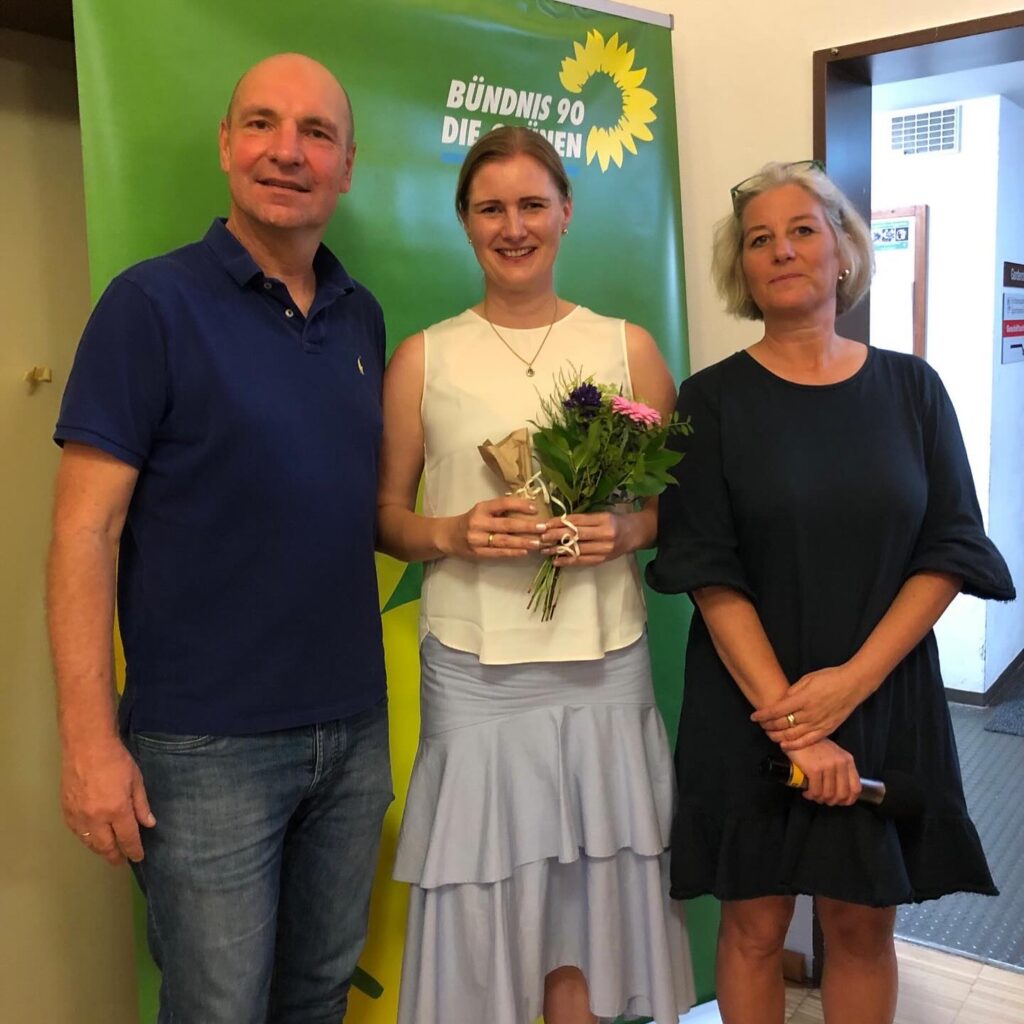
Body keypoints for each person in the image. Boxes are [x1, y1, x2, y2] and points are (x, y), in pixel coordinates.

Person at [47, 53, 392, 1023]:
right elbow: (84, 529)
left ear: (348, 166)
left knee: (316, 996)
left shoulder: (361, 316)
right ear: (226, 146)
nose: (287, 151)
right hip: (203, 751)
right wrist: (88, 740)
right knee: (216, 1010)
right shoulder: (149, 306)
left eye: (316, 133)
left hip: (352, 735)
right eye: (261, 124)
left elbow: (344, 508)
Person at [646, 159, 1015, 1024]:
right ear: (741, 270)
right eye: (759, 240)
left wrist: (849, 688)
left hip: (882, 698)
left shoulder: (913, 390)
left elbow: (951, 547)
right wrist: (794, 724)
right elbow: (706, 571)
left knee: (859, 928)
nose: (781, 251)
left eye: (803, 230)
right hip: (748, 705)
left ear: (844, 251)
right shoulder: (708, 403)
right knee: (754, 929)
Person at [377, 126, 695, 1024]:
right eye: (490, 209)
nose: (512, 227)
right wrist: (456, 531)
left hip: (603, 662)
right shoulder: (423, 358)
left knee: (594, 892)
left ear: (565, 213)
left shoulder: (625, 348)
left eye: (530, 205)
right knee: (485, 904)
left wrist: (625, 528)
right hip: (476, 672)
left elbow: (675, 509)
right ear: (466, 223)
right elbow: (387, 518)